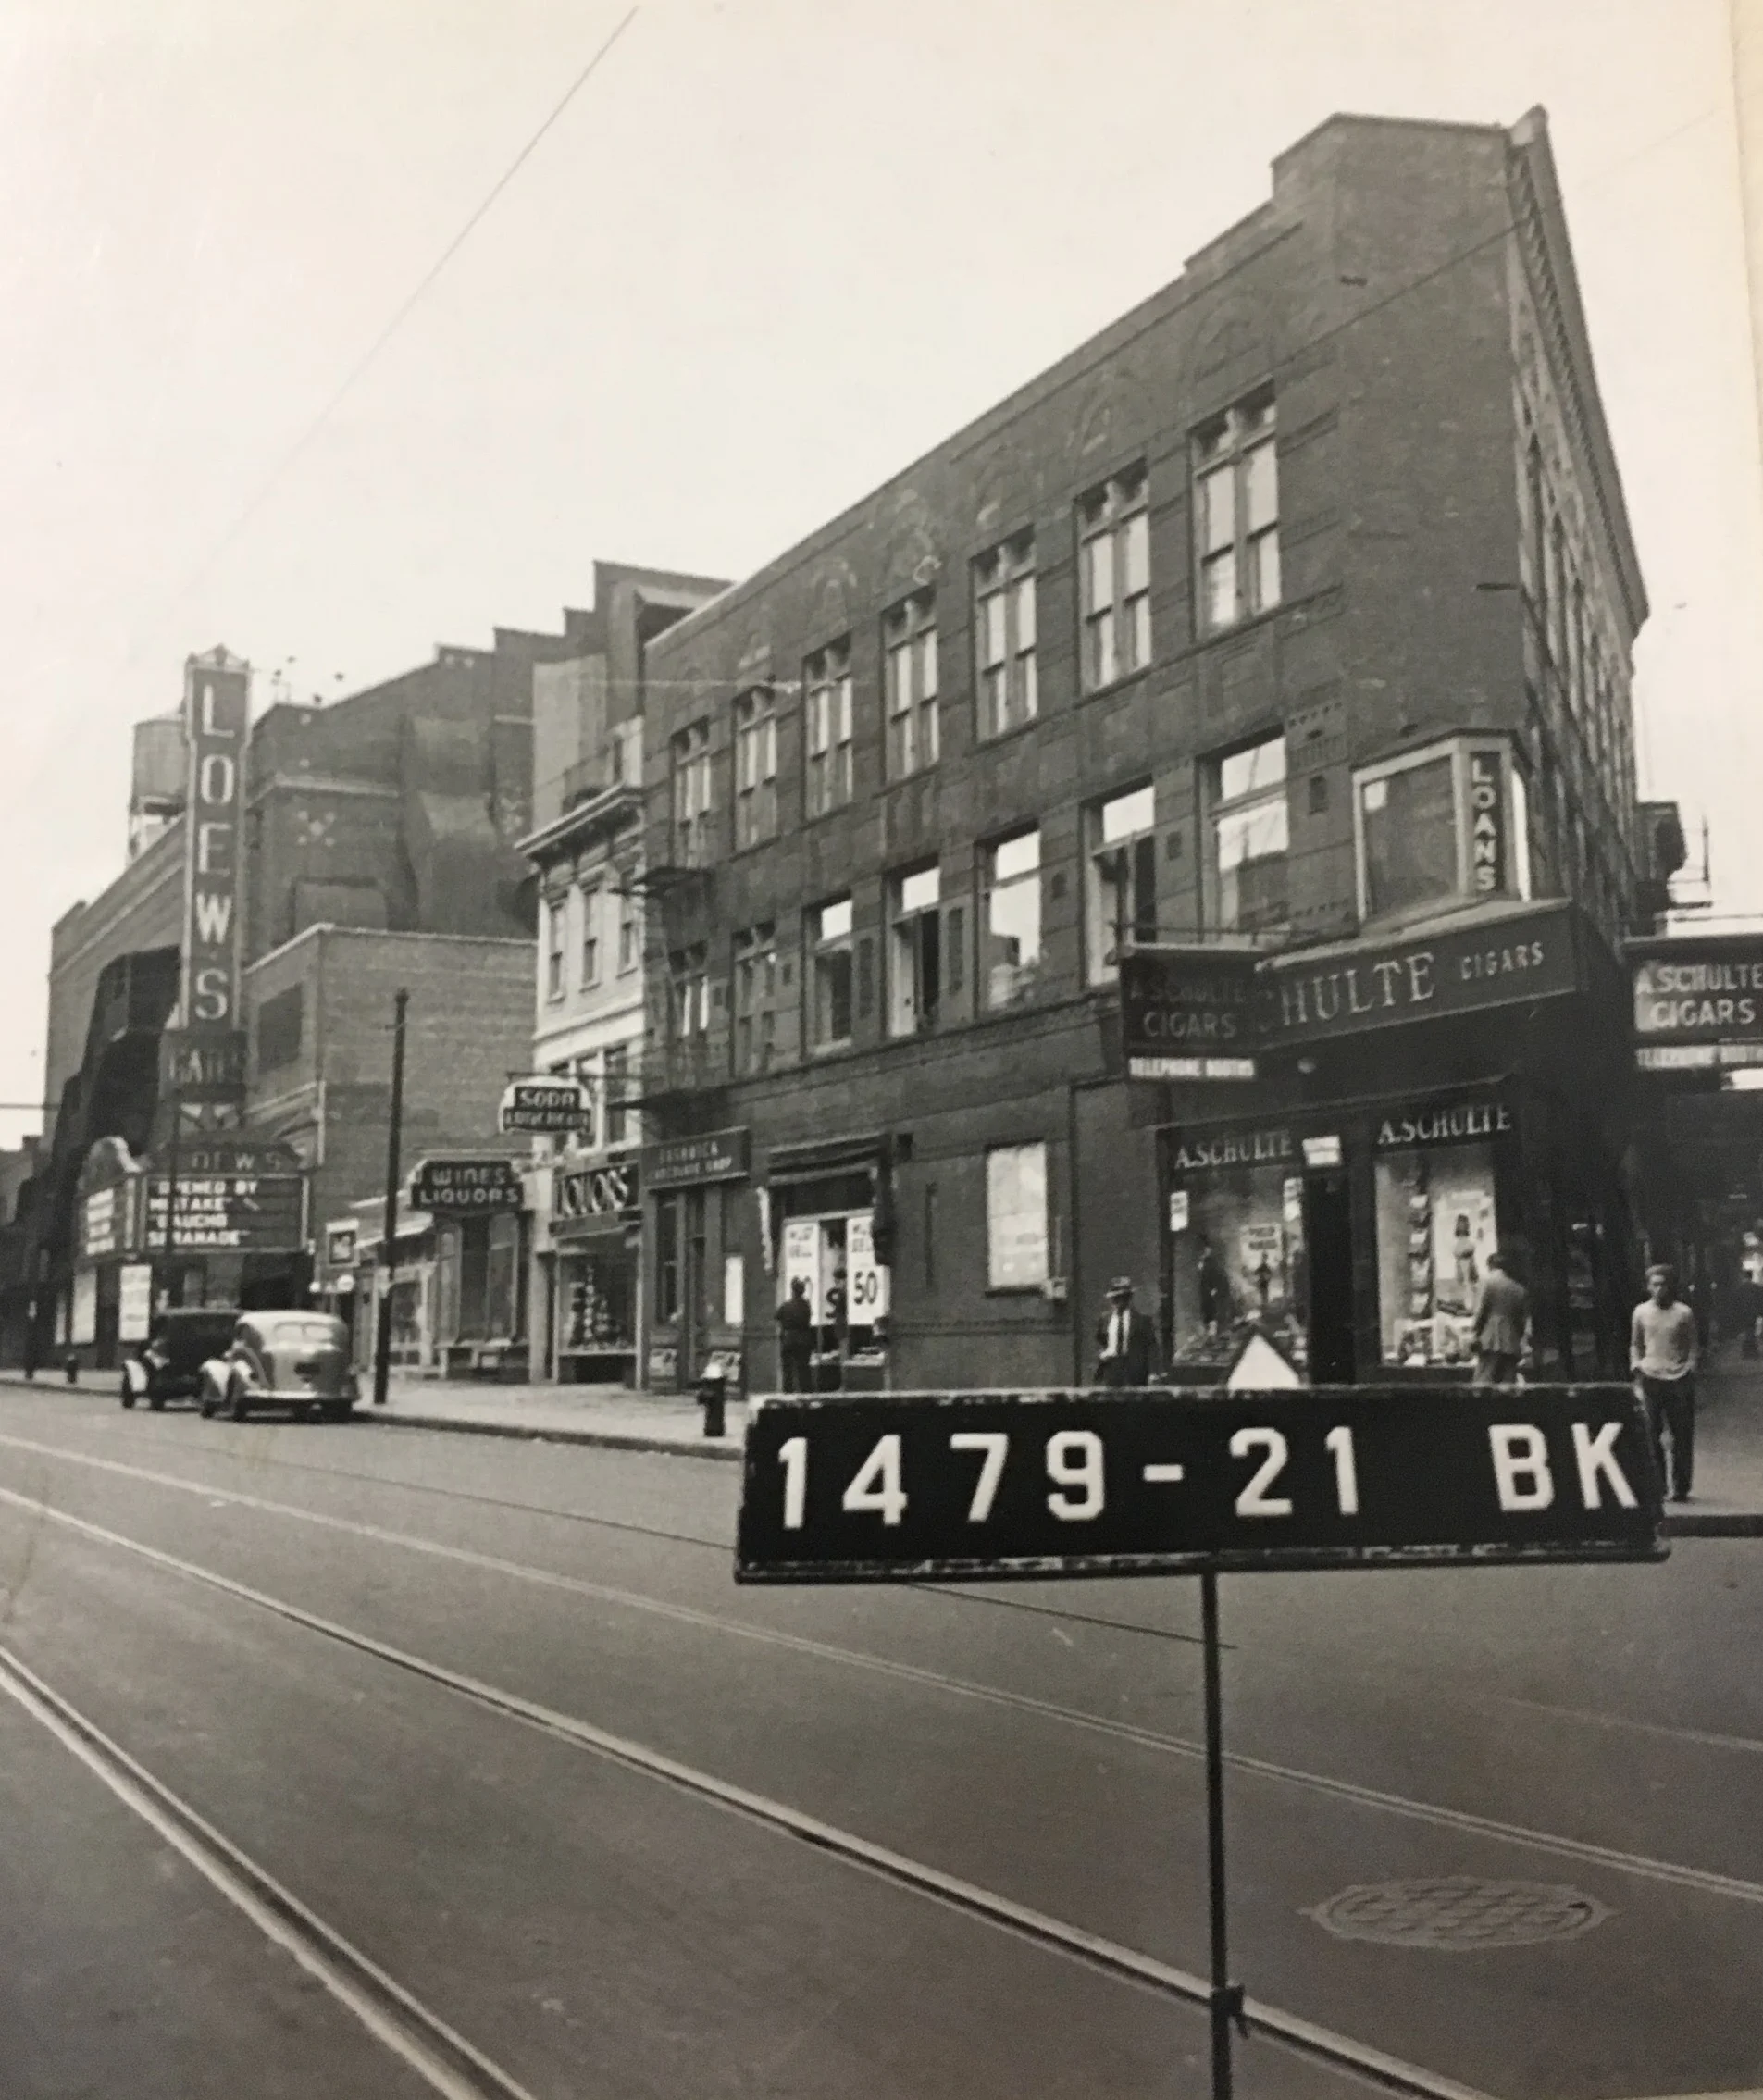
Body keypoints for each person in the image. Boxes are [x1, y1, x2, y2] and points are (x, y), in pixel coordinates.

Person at [1632, 1262, 1698, 1502]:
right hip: (1651, 1377)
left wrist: (1689, 1367)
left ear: (1671, 1286)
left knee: (1681, 1435)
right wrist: (1636, 1365)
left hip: (1678, 1379)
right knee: (1651, 1434)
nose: (1659, 1289)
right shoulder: (1640, 1312)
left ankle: (1681, 1487)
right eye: (1655, 1285)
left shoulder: (1683, 1313)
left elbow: (1692, 1345)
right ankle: (1657, 1486)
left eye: (1663, 1284)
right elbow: (1635, 1344)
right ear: (1648, 1287)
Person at [1469, 1250, 1528, 1387]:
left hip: (1490, 1338)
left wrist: (1474, 1333)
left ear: (1490, 1266)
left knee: (1483, 1382)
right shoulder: (1519, 1289)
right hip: (1511, 1341)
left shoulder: (1487, 1283)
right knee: (1507, 1385)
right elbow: (1522, 1321)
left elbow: (1480, 1311)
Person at [1095, 1276, 1161, 1387]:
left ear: (1128, 1299)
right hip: (1112, 1369)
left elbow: (1151, 1347)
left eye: (1121, 1298)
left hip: (1135, 1371)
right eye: (1114, 1298)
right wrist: (1102, 1354)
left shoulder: (1142, 1320)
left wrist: (1153, 1372)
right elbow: (1099, 1341)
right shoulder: (1105, 1319)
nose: (1117, 1301)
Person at [775, 1277, 813, 1393]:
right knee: (803, 1368)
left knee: (787, 1368)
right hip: (803, 1338)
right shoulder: (806, 1306)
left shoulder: (786, 1305)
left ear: (792, 1291)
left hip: (788, 1338)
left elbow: (777, 1317)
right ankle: (805, 1392)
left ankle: (788, 1391)